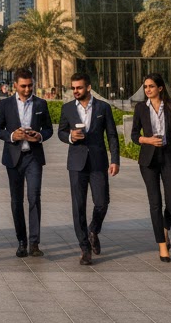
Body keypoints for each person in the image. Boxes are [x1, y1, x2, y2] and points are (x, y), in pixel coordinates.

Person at [57, 72, 120, 266]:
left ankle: (94, 230)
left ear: (89, 87)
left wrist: (115, 159)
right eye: (73, 88)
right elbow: (60, 131)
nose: (75, 91)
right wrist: (70, 136)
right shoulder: (67, 108)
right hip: (76, 164)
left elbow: (111, 135)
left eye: (79, 87)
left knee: (102, 202)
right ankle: (84, 248)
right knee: (78, 207)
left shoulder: (103, 107)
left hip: (98, 162)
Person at [0, 68, 53, 257]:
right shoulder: (5, 105)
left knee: (34, 197)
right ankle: (21, 241)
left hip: (33, 157)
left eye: (30, 86)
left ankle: (34, 242)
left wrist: (39, 135)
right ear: (16, 86)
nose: (27, 89)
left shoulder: (41, 103)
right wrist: (12, 135)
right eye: (24, 86)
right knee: (16, 201)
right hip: (13, 158)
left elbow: (49, 129)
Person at [131, 73, 171, 263]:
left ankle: (165, 229)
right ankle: (162, 246)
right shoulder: (140, 108)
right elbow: (133, 135)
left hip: (169, 157)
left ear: (160, 88)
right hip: (148, 160)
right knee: (155, 203)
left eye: (151, 86)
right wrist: (147, 140)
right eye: (145, 86)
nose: (147, 89)